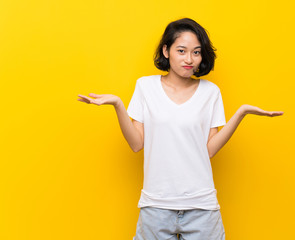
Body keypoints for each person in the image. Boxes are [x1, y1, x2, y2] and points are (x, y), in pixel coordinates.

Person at [77, 17, 284, 240]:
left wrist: (241, 113)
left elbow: (210, 150)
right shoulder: (145, 87)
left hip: (201, 207)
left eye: (196, 52)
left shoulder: (210, 92)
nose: (189, 59)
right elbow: (137, 144)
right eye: (182, 51)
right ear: (166, 51)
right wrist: (118, 105)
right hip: (156, 206)